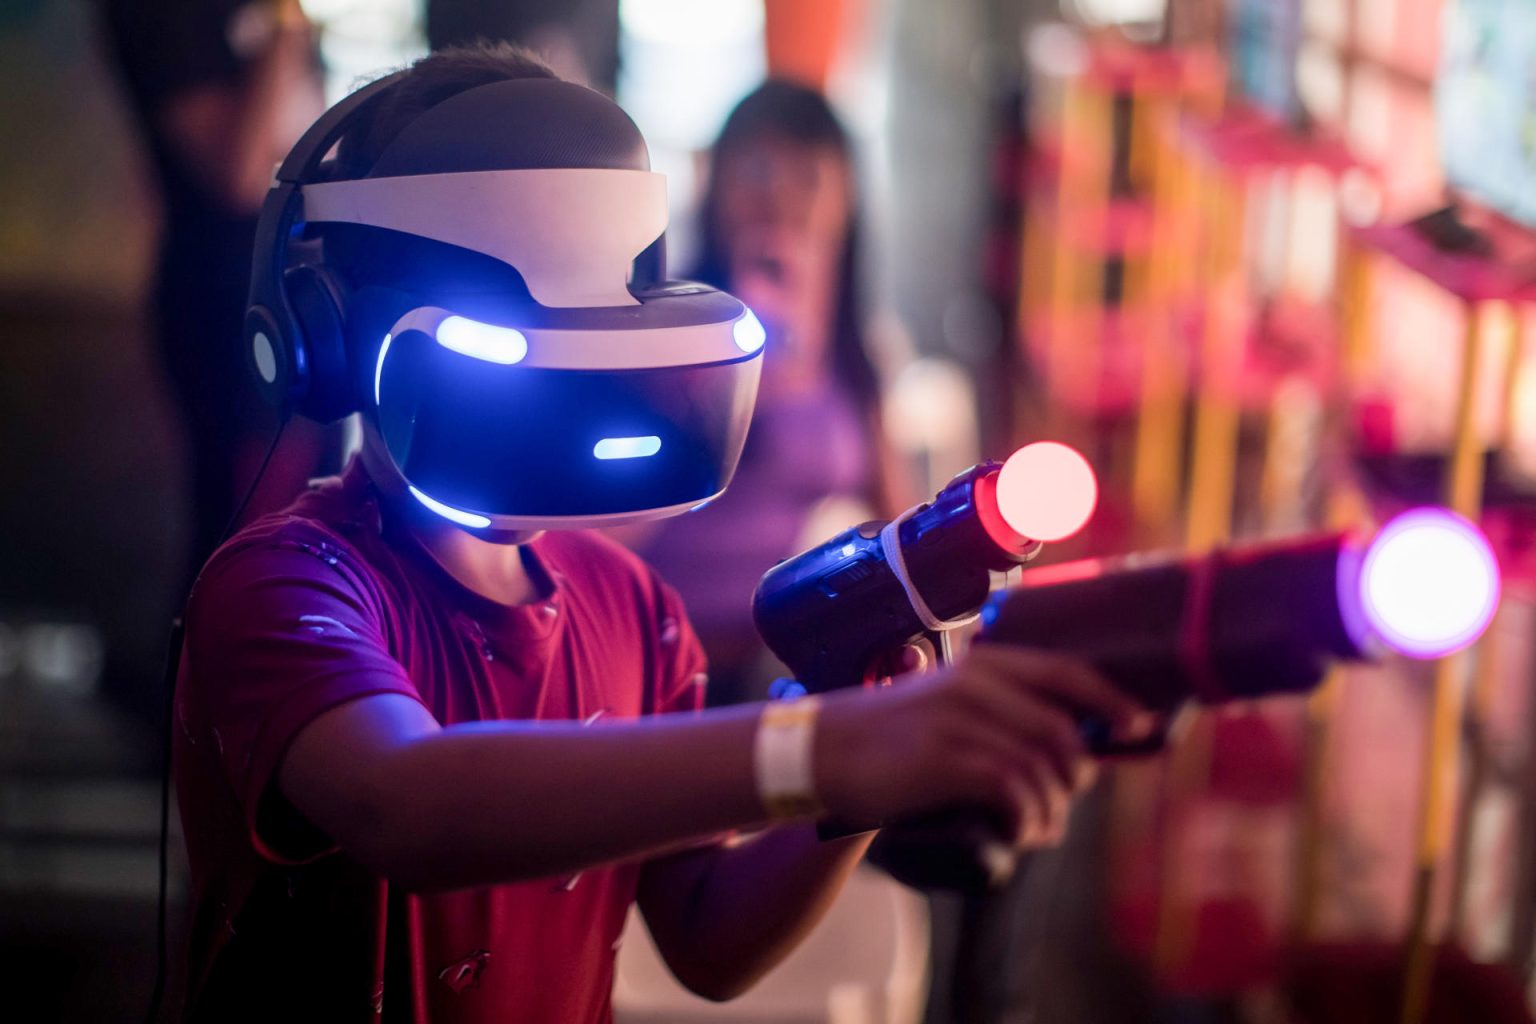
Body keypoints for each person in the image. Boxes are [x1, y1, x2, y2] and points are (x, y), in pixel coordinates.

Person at [173, 44, 1146, 1022]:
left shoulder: (630, 607)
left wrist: (870, 770)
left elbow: (710, 944)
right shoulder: (283, 584)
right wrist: (820, 749)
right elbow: (409, 806)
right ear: (327, 343)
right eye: (508, 347)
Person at [637, 80, 911, 704]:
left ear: (847, 200)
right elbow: (613, 528)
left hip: (785, 658)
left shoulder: (856, 350)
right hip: (668, 658)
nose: (780, 200)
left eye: (809, 177)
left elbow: (894, 524)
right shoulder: (670, 333)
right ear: (719, 188)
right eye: (757, 172)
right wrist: (725, 393)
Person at [103, 0, 342, 573]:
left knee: (311, 527)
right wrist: (285, 26)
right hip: (227, 303)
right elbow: (239, 175)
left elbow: (313, 145)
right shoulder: (172, 16)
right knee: (248, 536)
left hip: (298, 295)